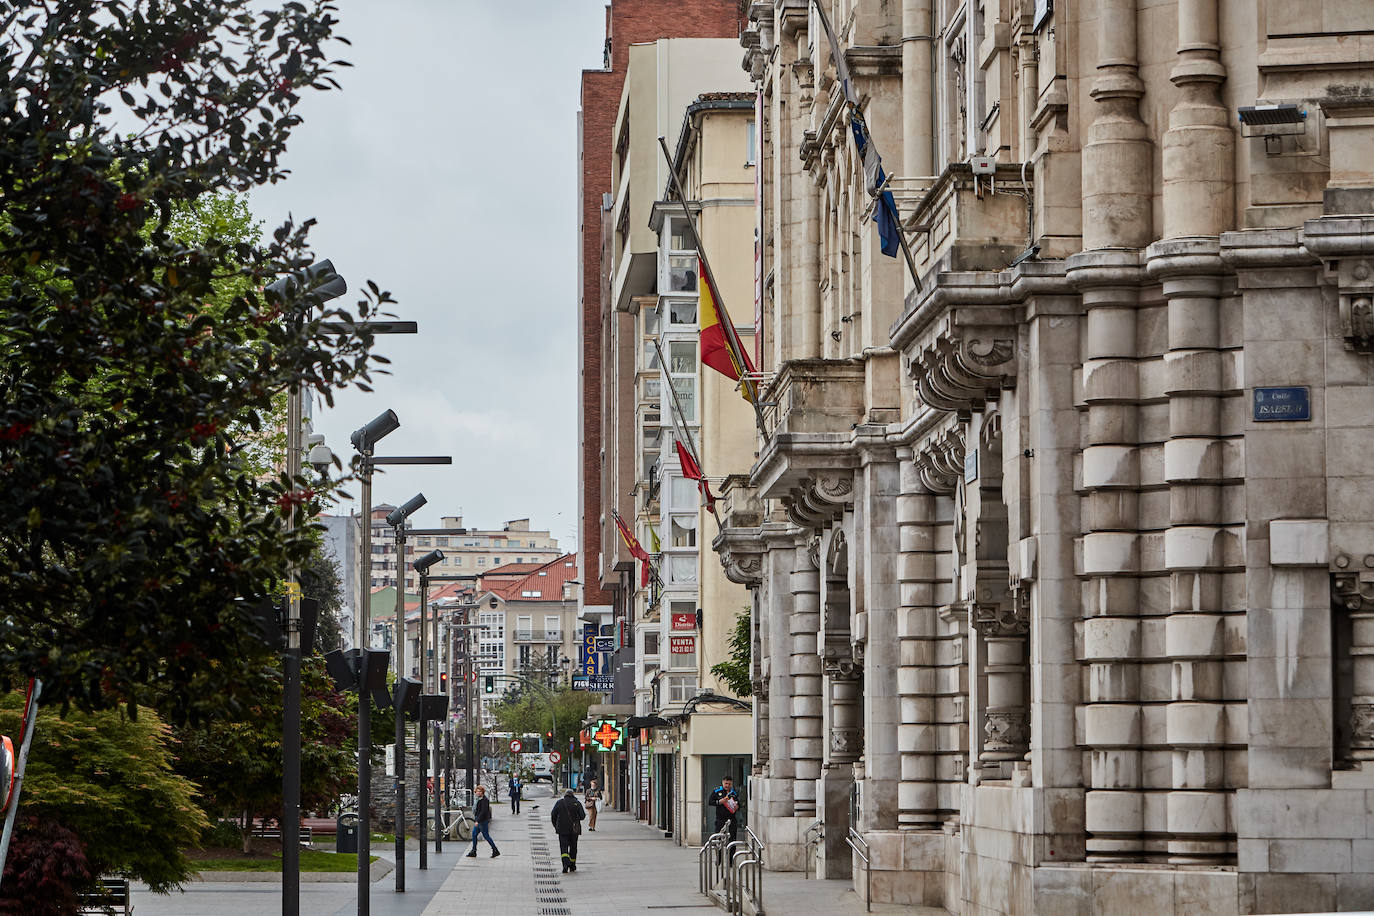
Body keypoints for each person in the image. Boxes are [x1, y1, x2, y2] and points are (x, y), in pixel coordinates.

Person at [550, 787, 585, 873]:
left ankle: (565, 865)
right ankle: (572, 865)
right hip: (574, 830)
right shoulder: (577, 803)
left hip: (562, 829)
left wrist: (556, 826)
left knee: (564, 847)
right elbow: (582, 816)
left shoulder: (559, 802)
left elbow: (553, 814)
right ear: (573, 795)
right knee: (573, 847)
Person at [465, 785, 500, 858]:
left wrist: (477, 821)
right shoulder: (477, 799)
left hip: (482, 820)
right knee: (474, 834)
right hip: (479, 819)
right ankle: (474, 851)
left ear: (482, 792)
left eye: (480, 791)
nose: (478, 792)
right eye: (477, 791)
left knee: (486, 836)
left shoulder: (484, 800)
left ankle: (495, 850)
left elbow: (483, 811)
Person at [708, 775, 741, 843]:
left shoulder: (734, 793)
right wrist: (720, 802)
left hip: (732, 819)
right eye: (726, 783)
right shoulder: (717, 791)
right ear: (723, 782)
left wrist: (737, 806)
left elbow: (739, 804)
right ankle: (719, 853)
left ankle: (731, 853)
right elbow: (710, 802)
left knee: (732, 839)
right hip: (721, 819)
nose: (727, 785)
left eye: (729, 784)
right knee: (719, 839)